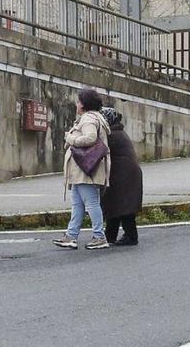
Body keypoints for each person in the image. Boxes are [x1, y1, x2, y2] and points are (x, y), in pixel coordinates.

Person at [53, 88, 111, 250]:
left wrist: (71, 138)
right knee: (77, 203)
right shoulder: (94, 118)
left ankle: (99, 236)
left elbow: (90, 138)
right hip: (84, 169)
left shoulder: (88, 119)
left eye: (79, 101)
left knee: (91, 202)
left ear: (84, 104)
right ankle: (71, 235)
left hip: (87, 169)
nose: (77, 104)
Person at [100, 107, 143, 246]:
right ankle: (110, 235)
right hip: (125, 174)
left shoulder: (112, 135)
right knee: (117, 205)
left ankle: (130, 236)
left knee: (123, 207)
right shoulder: (118, 132)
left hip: (124, 175)